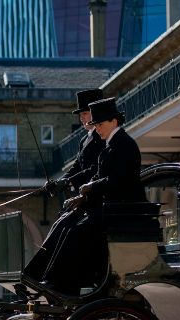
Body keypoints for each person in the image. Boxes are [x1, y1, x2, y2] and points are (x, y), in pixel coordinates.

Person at [38, 97, 147, 294]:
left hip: (122, 210)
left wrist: (91, 186)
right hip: (111, 208)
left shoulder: (124, 144)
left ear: (114, 121)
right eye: (95, 125)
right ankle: (51, 278)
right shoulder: (110, 145)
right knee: (68, 225)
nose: (96, 128)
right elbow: (99, 174)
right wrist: (82, 194)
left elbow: (118, 180)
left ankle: (64, 284)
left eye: (100, 124)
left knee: (77, 230)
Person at [23, 88, 105, 283]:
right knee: (59, 223)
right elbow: (77, 166)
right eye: (82, 115)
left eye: (85, 114)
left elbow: (94, 169)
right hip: (85, 199)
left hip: (95, 199)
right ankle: (35, 275)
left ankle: (51, 278)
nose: (82, 119)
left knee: (67, 227)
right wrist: (58, 183)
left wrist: (68, 181)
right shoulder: (85, 139)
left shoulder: (102, 138)